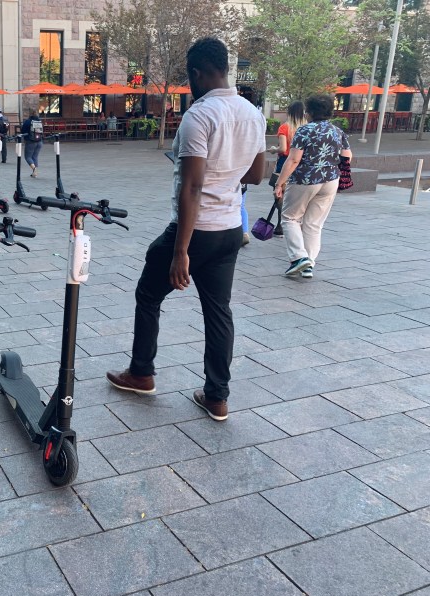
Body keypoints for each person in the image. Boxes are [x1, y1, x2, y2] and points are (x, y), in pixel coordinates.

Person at [105, 37, 266, 422]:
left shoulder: (200, 115)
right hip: (230, 229)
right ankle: (217, 397)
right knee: (219, 312)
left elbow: (192, 188)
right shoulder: (253, 114)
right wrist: (227, 175)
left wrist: (181, 252)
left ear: (197, 73)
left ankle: (141, 373)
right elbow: (257, 175)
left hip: (197, 230)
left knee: (148, 293)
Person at [274, 94, 351, 279]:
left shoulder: (304, 130)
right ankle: (308, 265)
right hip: (330, 180)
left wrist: (280, 182)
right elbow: (348, 156)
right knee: (314, 224)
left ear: (309, 111)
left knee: (290, 218)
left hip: (305, 179)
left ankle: (299, 258)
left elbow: (294, 159)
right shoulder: (337, 131)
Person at [267, 101, 306, 237]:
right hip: (302, 164)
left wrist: (273, 150)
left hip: (285, 162)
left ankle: (281, 225)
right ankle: (297, 223)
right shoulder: (307, 128)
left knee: (280, 194)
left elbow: (283, 148)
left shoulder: (285, 128)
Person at [21, 110, 44, 177]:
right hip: (39, 141)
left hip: (30, 141)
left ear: (29, 114)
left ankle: (34, 169)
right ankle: (35, 173)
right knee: (35, 157)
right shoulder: (39, 121)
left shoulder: (28, 121)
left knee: (28, 157)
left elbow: (23, 131)